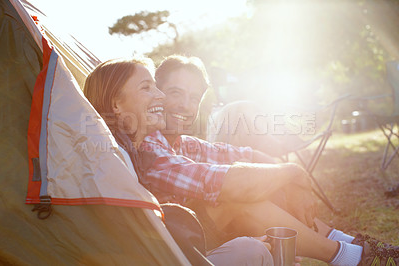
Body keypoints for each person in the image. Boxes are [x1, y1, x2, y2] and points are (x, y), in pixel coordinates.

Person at [137, 55, 399, 265]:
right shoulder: (148, 146)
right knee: (239, 195)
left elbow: (253, 156)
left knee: (264, 179)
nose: (186, 105)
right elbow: (230, 184)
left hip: (200, 236)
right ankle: (353, 258)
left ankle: (350, 245)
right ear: (156, 94)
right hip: (174, 248)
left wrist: (292, 177)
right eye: (175, 93)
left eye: (194, 97)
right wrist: (292, 171)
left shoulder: (184, 144)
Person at [83, 57, 275, 266]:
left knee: (247, 245)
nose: (160, 96)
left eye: (156, 87)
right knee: (250, 250)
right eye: (147, 88)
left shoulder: (130, 154)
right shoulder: (115, 163)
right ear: (116, 104)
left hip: (165, 253)